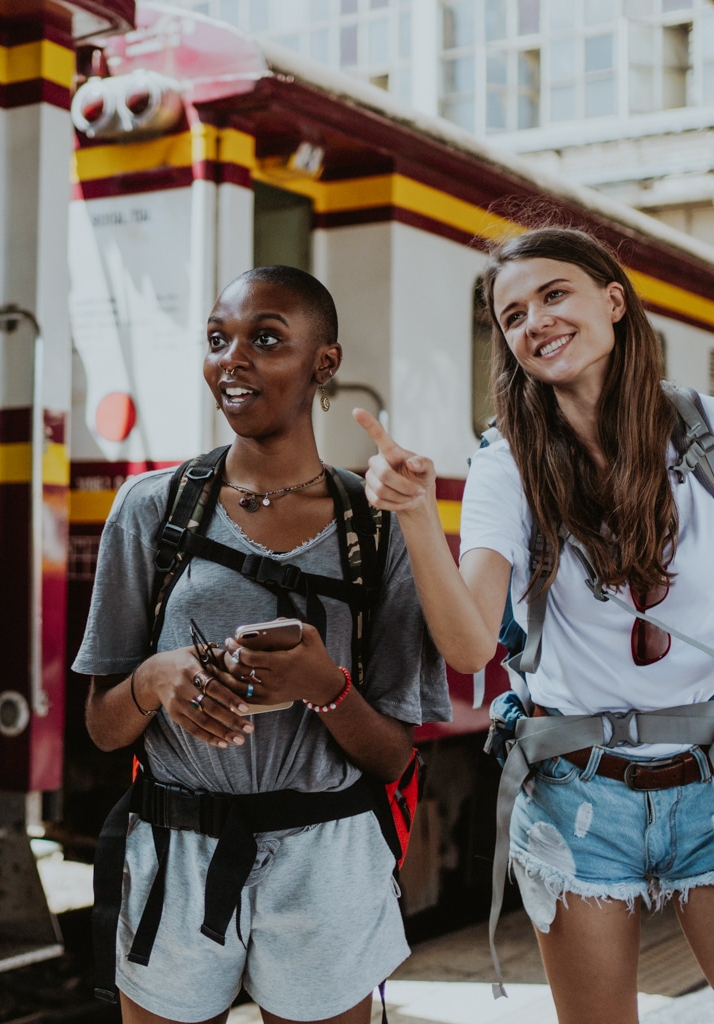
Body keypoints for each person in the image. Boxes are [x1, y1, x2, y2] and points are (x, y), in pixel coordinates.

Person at [353, 227, 714, 1024]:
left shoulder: (705, 435)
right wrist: (416, 515)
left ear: (612, 302)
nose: (535, 322)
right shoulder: (504, 462)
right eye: (511, 315)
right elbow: (470, 644)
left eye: (555, 295)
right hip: (577, 796)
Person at [73, 265, 450, 1024]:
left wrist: (325, 685)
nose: (231, 359)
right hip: (175, 850)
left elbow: (393, 758)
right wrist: (153, 679)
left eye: (266, 339)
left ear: (325, 362)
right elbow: (103, 727)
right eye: (218, 340)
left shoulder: (378, 528)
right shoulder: (152, 508)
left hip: (328, 859)